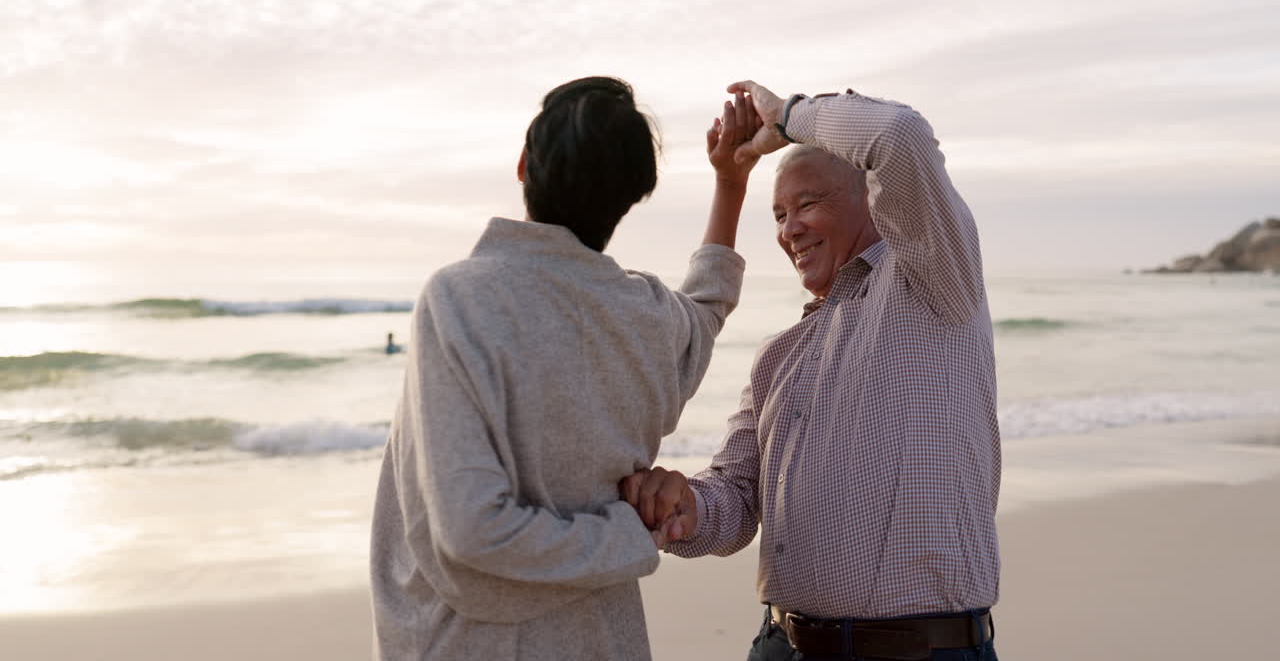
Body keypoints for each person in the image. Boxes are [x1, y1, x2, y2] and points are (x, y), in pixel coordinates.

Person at [369, 77, 761, 660]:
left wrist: (627, 536)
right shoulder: (648, 317)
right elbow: (708, 307)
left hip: (466, 642)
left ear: (525, 164)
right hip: (604, 638)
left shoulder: (462, 298)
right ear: (632, 198)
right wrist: (730, 183)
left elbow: (473, 530)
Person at [622, 81, 1001, 660]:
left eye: (807, 204)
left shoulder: (932, 282)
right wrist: (682, 506)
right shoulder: (779, 355)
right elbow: (737, 502)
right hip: (781, 646)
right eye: (778, 214)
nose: (789, 229)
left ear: (875, 200)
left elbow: (898, 136)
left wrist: (788, 118)